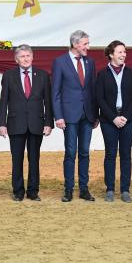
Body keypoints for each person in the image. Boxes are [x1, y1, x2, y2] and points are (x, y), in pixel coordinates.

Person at [0, 44, 54, 201]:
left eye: (28, 55)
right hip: (15, 124)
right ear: (16, 59)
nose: (25, 59)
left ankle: (33, 191)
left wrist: (49, 123)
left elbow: (48, 102)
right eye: (22, 56)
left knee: (34, 159)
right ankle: (18, 191)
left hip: (37, 124)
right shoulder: (8, 76)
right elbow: (4, 101)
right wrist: (1, 123)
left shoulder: (42, 75)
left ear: (32, 57)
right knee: (17, 159)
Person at [52, 30, 98, 202]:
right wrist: (58, 116)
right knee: (71, 152)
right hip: (69, 116)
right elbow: (55, 91)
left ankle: (84, 189)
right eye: (85, 44)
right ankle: (68, 189)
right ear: (75, 44)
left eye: (87, 43)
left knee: (85, 152)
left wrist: (96, 115)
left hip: (87, 115)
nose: (88, 47)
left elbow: (93, 89)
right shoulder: (60, 62)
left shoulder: (90, 62)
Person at [96, 40, 132, 203]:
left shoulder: (131, 73)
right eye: (120, 52)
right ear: (111, 54)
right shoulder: (102, 74)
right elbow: (99, 99)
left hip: (128, 120)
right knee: (110, 154)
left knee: (126, 154)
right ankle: (110, 189)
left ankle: (125, 190)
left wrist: (125, 117)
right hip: (109, 121)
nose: (123, 55)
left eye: (124, 52)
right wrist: (113, 117)